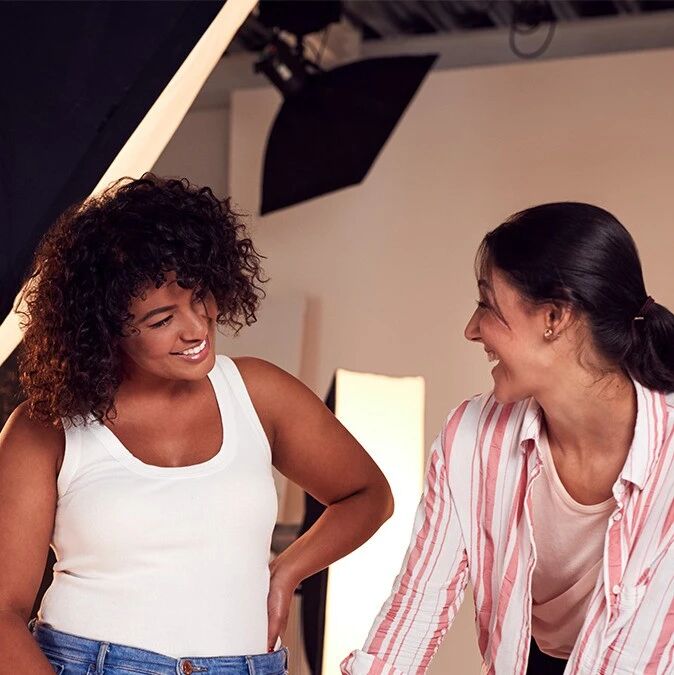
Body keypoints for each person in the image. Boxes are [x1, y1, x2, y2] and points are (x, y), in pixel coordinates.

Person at [0, 174, 393, 674]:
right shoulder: (47, 430)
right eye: (162, 320)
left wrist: (286, 571)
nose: (196, 328)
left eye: (200, 295)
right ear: (103, 330)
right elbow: (3, 614)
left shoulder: (259, 393)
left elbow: (368, 494)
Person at [342, 202, 674, 675]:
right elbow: (415, 611)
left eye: (487, 305)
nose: (471, 329)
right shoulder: (470, 437)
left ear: (554, 316)